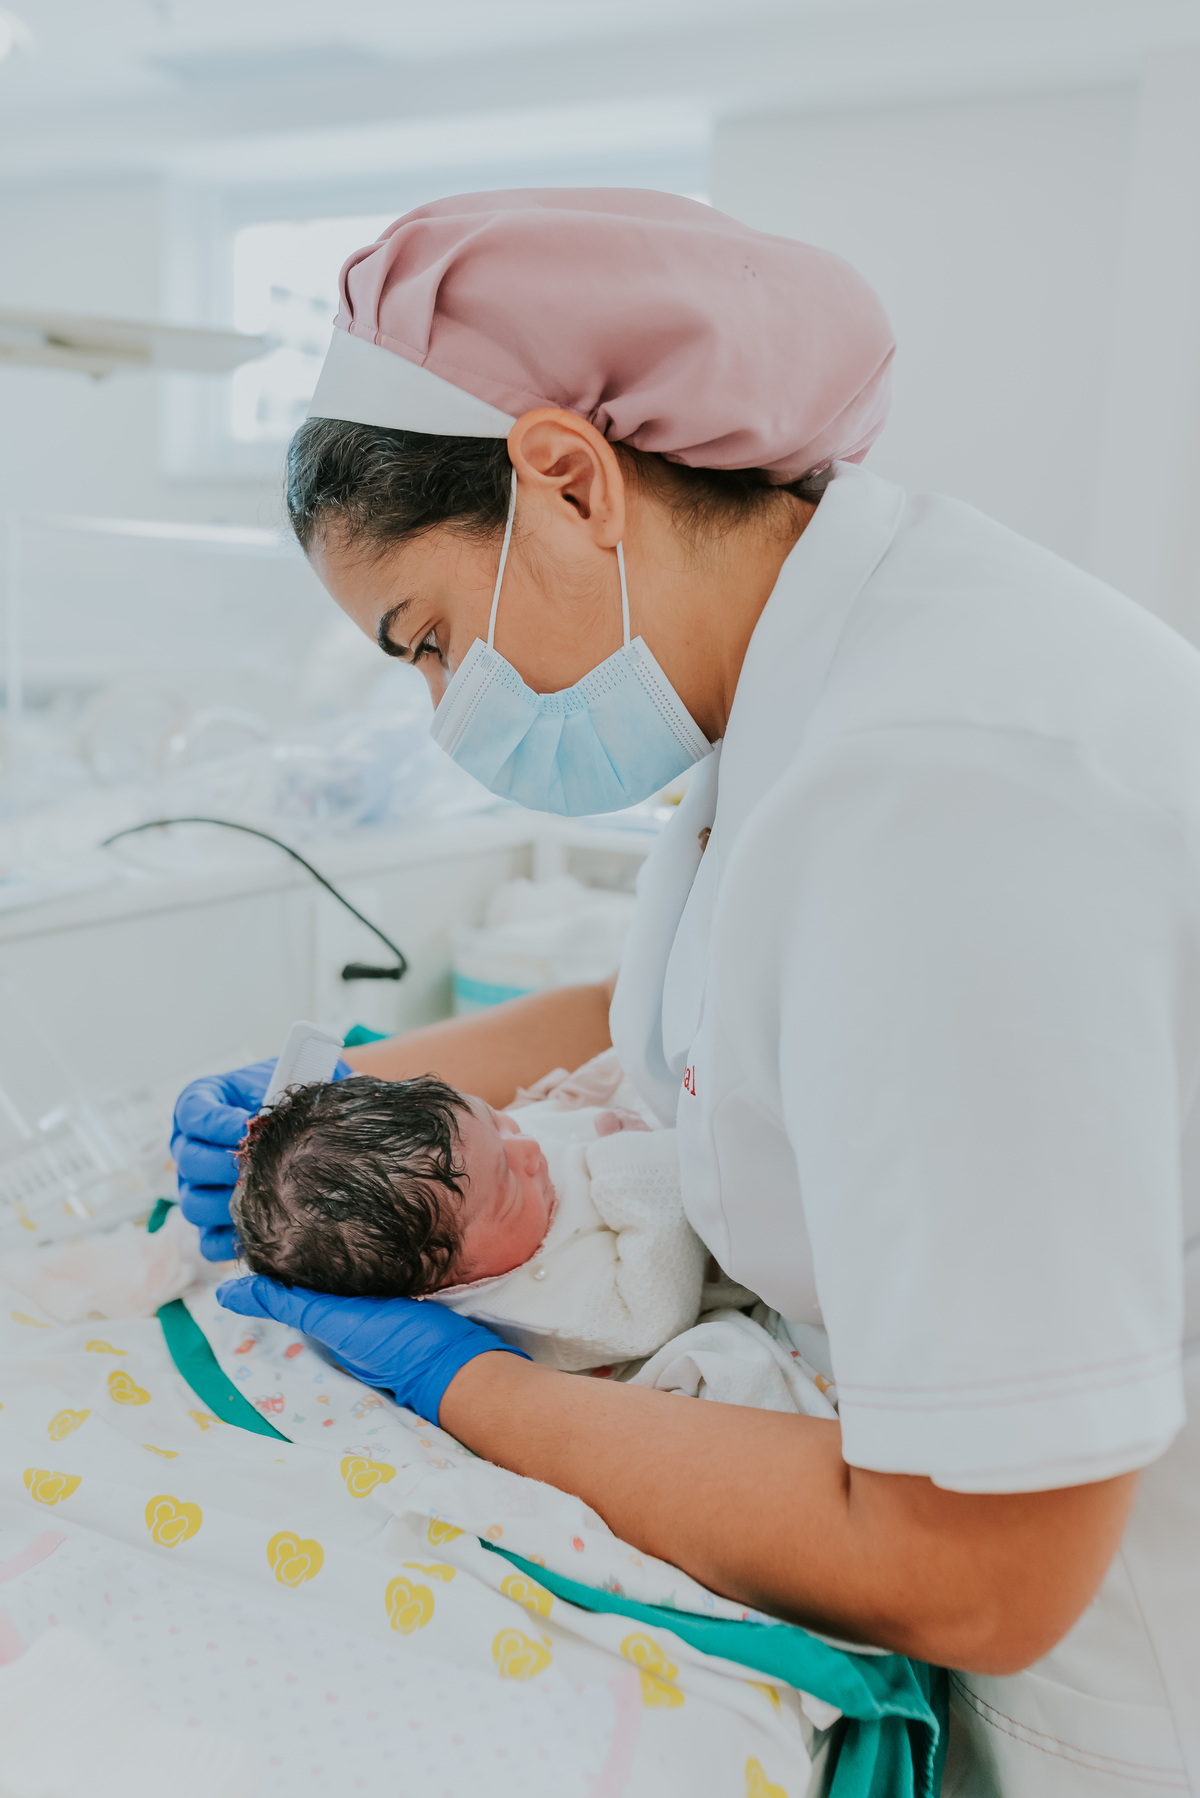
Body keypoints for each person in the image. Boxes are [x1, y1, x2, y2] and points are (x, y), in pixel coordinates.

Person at [172, 190, 1198, 1795]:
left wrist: (472, 1389)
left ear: (568, 478)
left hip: (1115, 1683)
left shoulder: (942, 795)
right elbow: (714, 1001)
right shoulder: (819, 673)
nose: (452, 710)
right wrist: (319, 1078)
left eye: (431, 638)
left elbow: (982, 1565)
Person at [231, 1070, 704, 1369]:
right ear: (447, 1286)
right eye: (508, 1188)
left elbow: (525, 1131)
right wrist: (639, 1168)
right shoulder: (548, 1314)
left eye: (495, 1119)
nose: (530, 1149)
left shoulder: (470, 1168)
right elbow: (654, 1320)